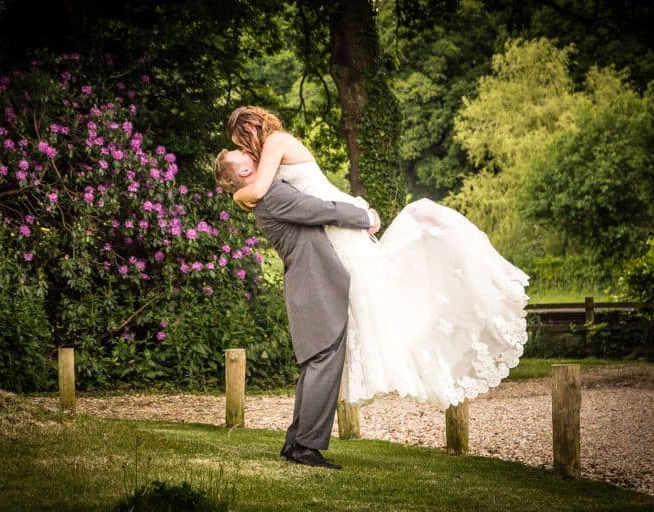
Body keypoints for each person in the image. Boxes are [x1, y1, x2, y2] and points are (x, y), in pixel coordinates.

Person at [226, 105, 531, 408]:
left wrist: (236, 195)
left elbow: (259, 189)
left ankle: (422, 233)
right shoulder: (270, 149)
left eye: (240, 143)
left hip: (336, 216)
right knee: (368, 293)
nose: (244, 150)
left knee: (377, 284)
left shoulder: (276, 142)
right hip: (328, 223)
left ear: (249, 129)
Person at [214, 148, 380, 469]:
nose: (252, 152)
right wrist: (366, 218)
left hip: (308, 284)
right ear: (245, 173)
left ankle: (296, 442)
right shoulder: (272, 195)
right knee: (324, 361)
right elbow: (320, 210)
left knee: (317, 361)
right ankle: (305, 446)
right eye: (244, 154)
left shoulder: (266, 194)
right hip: (314, 284)